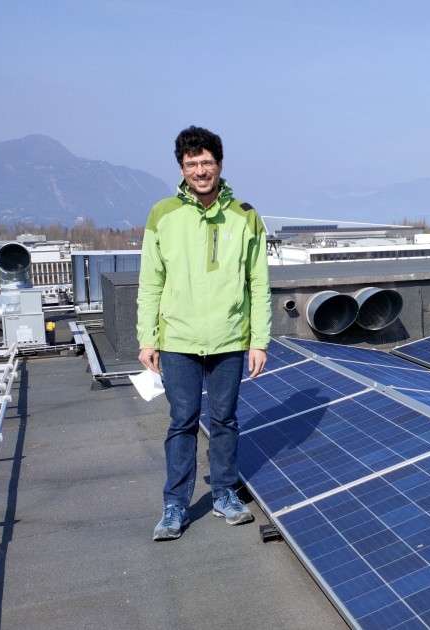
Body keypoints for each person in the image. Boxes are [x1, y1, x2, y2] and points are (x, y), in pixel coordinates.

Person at [137, 126, 271, 541]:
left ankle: (224, 495)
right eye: (192, 164)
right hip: (177, 340)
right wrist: (147, 337)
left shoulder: (245, 215)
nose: (200, 170)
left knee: (225, 419)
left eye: (207, 162)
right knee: (181, 422)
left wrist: (259, 340)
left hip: (230, 338)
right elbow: (150, 281)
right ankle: (174, 506)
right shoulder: (163, 214)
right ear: (181, 167)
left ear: (219, 165)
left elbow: (259, 283)